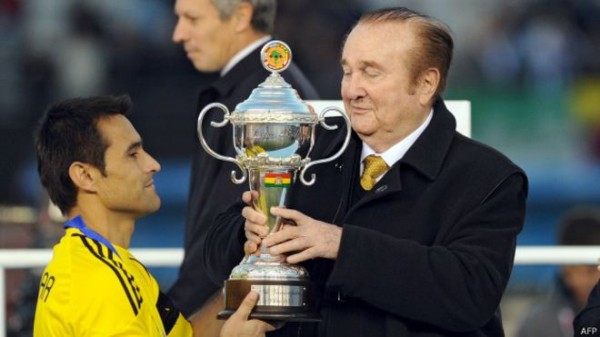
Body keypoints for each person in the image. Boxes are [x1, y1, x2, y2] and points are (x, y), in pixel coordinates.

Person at [202, 7, 528, 337]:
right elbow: (213, 252)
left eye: (371, 73)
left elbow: (470, 294)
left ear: (426, 83)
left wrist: (341, 245)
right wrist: (246, 235)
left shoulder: (489, 177)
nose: (351, 90)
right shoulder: (313, 147)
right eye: (347, 71)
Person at [32, 95, 274, 337]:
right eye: (132, 154)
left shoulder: (113, 264)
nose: (153, 164)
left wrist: (246, 276)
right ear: (85, 176)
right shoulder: (95, 282)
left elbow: (187, 334)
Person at [169, 0, 319, 333]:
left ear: (240, 16)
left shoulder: (259, 100)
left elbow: (217, 233)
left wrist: (177, 323)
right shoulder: (249, 90)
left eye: (191, 18)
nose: (178, 34)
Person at [516, 206, 600, 337]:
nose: (580, 280)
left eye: (591, 271)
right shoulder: (537, 324)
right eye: (572, 270)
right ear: (562, 266)